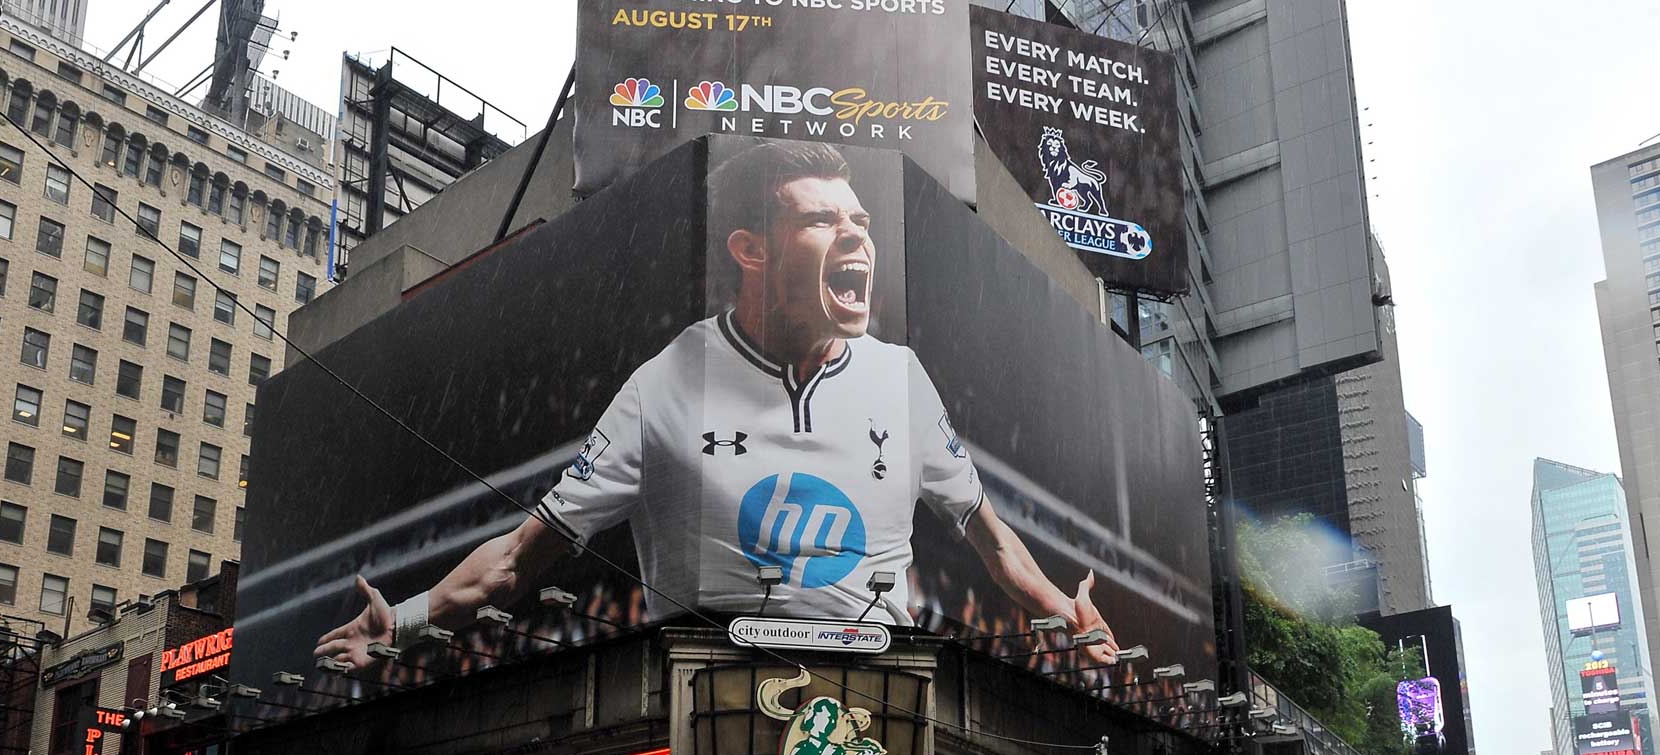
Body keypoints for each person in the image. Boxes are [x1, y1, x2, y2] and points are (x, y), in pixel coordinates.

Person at [315, 140, 1120, 670]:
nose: (855, 239)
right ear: (751, 248)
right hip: (708, 710)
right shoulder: (669, 383)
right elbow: (520, 559)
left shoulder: (900, 378)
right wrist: (409, 618)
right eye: (821, 220)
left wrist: (1071, 615)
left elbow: (994, 543)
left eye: (861, 221)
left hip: (883, 713)